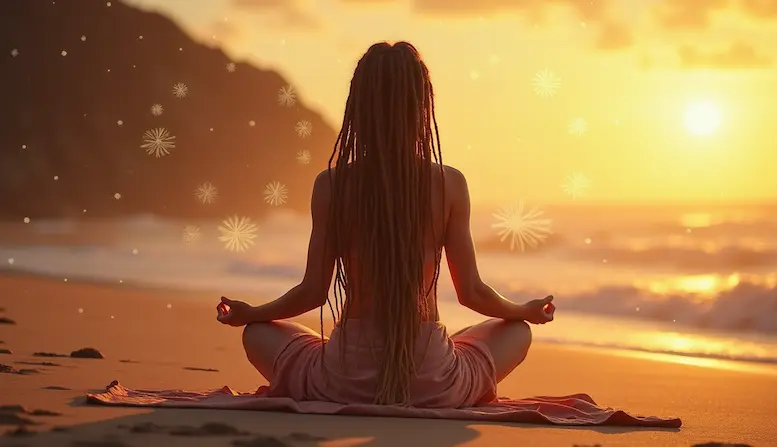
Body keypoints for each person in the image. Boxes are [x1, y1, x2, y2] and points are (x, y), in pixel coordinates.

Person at [216, 41, 555, 408]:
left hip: (343, 379)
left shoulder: (332, 185)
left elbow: (312, 292)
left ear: (358, 108)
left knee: (257, 334)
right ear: (422, 106)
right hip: (433, 380)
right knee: (515, 332)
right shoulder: (449, 184)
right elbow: (471, 292)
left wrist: (252, 314)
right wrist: (525, 311)